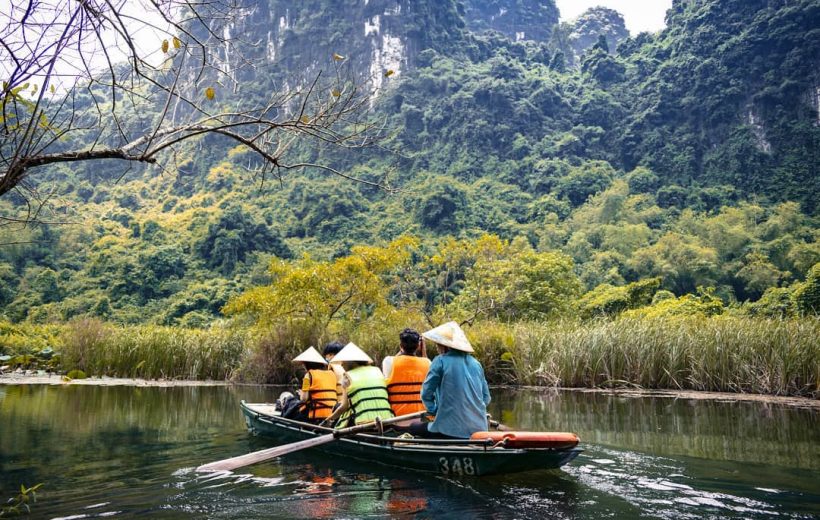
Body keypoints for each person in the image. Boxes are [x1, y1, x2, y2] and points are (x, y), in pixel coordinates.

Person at [413, 321, 490, 439]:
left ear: (446, 346)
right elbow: (486, 398)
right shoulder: (476, 364)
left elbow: (426, 394)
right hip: (479, 428)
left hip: (448, 429)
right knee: (425, 419)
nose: (437, 347)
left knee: (414, 425)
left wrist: (434, 410)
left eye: (438, 344)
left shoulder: (440, 361)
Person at [323, 342, 394, 427]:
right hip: (388, 420)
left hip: (363, 423)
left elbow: (343, 407)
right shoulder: (377, 370)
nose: (341, 364)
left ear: (351, 362)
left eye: (343, 361)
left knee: (338, 409)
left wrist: (328, 419)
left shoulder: (347, 377)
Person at [282, 346, 338, 423]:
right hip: (331, 413)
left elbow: (304, 399)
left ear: (306, 364)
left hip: (315, 416)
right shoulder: (331, 374)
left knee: (290, 401)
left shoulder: (308, 376)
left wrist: (301, 393)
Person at [383, 328, 431, 416]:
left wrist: (402, 350)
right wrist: (423, 350)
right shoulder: (427, 363)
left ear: (400, 345)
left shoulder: (388, 361)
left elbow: (395, 359)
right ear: (418, 346)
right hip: (423, 420)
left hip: (397, 419)